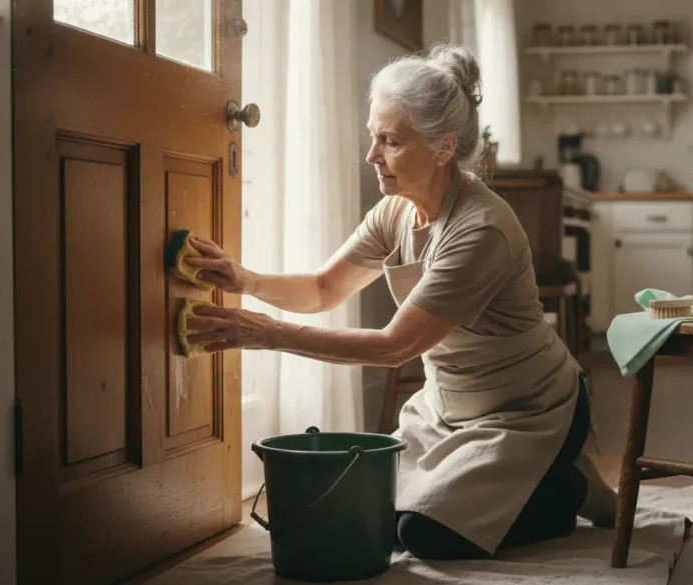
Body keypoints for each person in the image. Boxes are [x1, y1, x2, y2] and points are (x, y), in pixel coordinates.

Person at [182, 43, 616, 560]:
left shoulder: (480, 230)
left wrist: (266, 334)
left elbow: (393, 347)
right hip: (447, 407)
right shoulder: (395, 212)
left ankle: (565, 487)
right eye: (373, 136)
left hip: (527, 412)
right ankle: (512, 484)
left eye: (390, 141)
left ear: (443, 147)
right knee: (372, 516)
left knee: (422, 535)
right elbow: (325, 288)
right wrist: (246, 279)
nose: (372, 156)